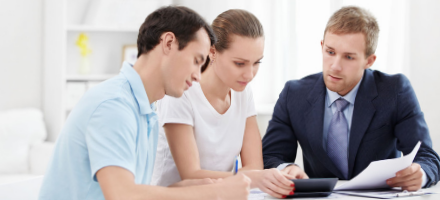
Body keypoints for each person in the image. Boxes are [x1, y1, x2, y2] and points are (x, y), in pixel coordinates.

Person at [39, 6, 252, 200]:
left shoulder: (145, 109)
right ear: (168, 43)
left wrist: (194, 187)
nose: (197, 76)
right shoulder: (114, 105)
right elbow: (121, 194)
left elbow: (135, 189)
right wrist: (215, 192)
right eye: (196, 61)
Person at [262, 6, 440, 191]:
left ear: (369, 61)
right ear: (322, 46)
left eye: (348, 57)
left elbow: (427, 157)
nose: (335, 66)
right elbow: (271, 156)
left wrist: (421, 173)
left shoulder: (395, 91)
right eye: (330, 52)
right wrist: (287, 168)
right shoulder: (294, 94)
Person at [151, 9, 298, 199]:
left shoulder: (243, 93)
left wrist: (255, 177)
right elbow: (191, 174)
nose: (250, 74)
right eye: (239, 63)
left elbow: (254, 166)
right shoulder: (181, 92)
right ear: (212, 51)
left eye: (256, 63)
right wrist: (252, 178)